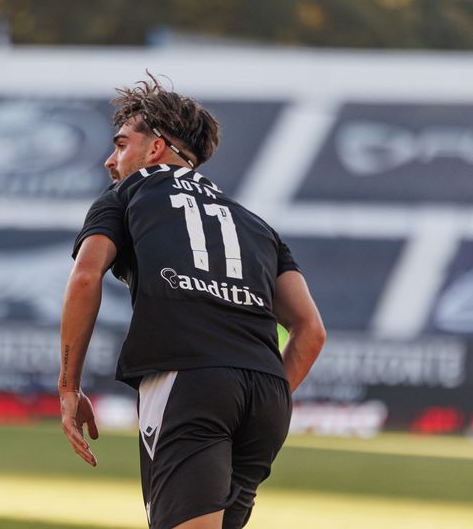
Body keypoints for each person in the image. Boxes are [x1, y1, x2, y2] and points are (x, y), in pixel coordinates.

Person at [58, 74, 326, 529]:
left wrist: (69, 386)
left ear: (156, 149)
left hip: (188, 379)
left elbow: (85, 277)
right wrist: (265, 394)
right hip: (266, 395)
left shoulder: (126, 194)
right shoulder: (254, 222)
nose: (110, 160)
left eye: (121, 145)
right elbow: (311, 331)